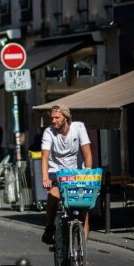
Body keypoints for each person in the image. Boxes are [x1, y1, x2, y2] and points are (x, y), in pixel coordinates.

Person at [40, 104, 93, 245]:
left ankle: (82, 250)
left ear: (66, 118)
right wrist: (45, 177)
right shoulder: (49, 132)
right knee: (54, 194)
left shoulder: (79, 128)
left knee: (83, 209)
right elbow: (44, 156)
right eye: (52, 118)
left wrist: (88, 172)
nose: (53, 120)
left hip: (76, 172)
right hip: (55, 172)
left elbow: (87, 153)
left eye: (57, 117)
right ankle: (50, 224)